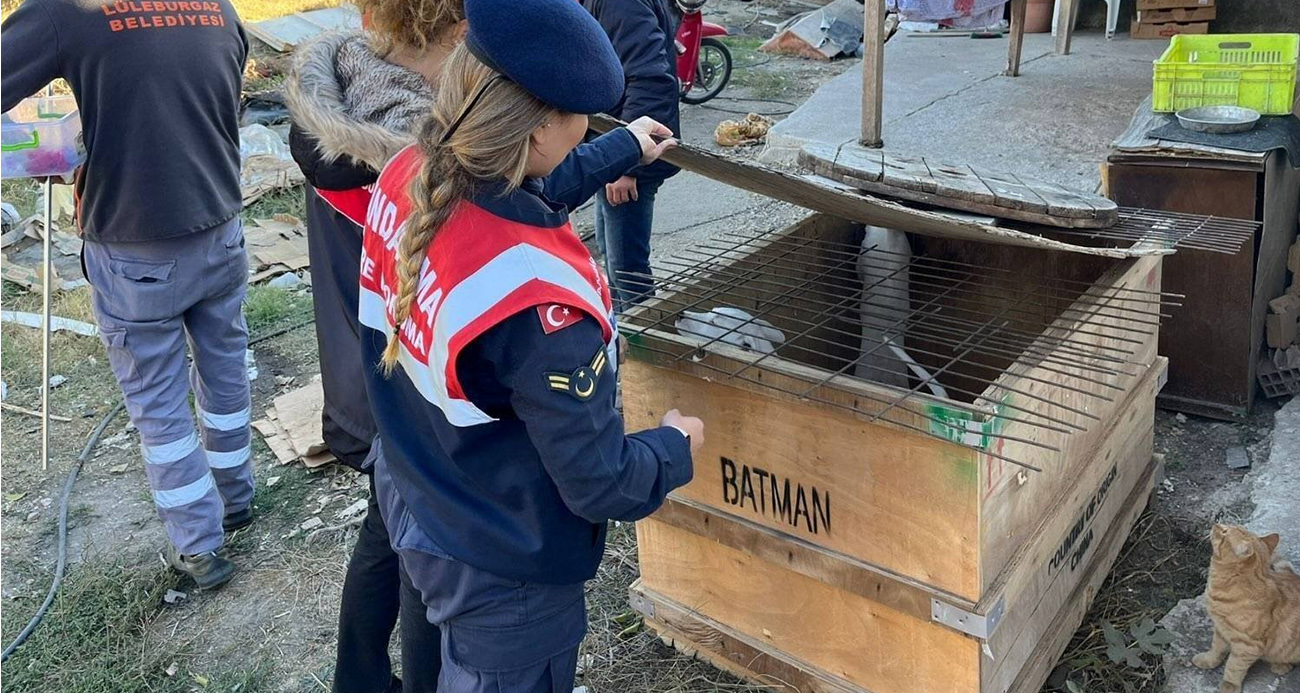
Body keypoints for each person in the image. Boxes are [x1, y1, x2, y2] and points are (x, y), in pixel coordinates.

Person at [285, 2, 679, 689]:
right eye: (583, 115)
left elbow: (532, 186)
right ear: (546, 128)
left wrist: (623, 146)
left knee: (431, 658)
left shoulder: (409, 171)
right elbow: (600, 481)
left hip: (424, 493)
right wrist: (676, 445)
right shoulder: (538, 299)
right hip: (508, 564)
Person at [2, 0, 253, 589]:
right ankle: (236, 498)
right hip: (220, 224)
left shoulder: (68, 12)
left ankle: (199, 545)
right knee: (225, 371)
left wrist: (42, 144)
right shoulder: (215, 5)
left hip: (136, 247)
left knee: (158, 401)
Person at [583, 0, 683, 309]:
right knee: (610, 255)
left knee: (628, 269)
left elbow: (650, 81)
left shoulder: (620, 2)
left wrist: (626, 164)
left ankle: (646, 344)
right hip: (609, 148)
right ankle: (622, 333)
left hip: (629, 159)